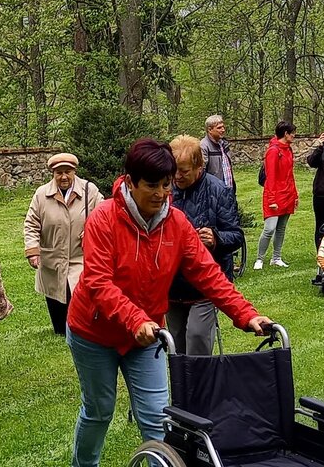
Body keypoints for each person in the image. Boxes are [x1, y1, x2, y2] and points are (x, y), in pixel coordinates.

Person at [68, 138, 273, 467]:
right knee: (99, 411)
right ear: (130, 181)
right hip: (94, 333)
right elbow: (97, 282)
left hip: (147, 337)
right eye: (151, 185)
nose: (161, 193)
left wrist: (245, 315)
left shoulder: (176, 223)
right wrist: (135, 320)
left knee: (157, 418)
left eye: (166, 184)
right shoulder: (103, 220)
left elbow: (209, 275)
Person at [166, 135, 246, 355]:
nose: (177, 176)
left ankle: (201, 386)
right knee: (175, 343)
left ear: (199, 167)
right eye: (174, 170)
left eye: (183, 171)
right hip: (173, 283)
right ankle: (181, 386)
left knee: (197, 336)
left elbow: (236, 235)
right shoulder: (165, 191)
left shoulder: (218, 190)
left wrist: (216, 238)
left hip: (207, 283)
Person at [23, 153, 103, 336]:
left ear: (74, 171)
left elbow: (103, 214)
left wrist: (91, 229)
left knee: (80, 292)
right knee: (56, 291)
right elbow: (32, 223)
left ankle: (80, 328)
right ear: (53, 173)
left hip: (80, 254)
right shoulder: (42, 194)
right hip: (53, 255)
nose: (64, 177)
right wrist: (33, 250)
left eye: (68, 172)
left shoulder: (89, 191)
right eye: (59, 173)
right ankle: (60, 329)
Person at [254, 121, 299, 270]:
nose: (294, 135)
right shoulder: (273, 151)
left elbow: (290, 175)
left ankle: (276, 257)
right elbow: (270, 177)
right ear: (286, 134)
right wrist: (271, 199)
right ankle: (259, 259)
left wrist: (295, 195)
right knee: (269, 228)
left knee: (281, 228)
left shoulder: (288, 149)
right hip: (274, 195)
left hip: (287, 194)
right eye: (292, 133)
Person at [200, 114, 235, 192]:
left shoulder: (224, 144)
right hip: (214, 192)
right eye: (219, 128)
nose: (223, 130)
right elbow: (201, 172)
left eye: (223, 127)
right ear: (210, 130)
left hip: (229, 190)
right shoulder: (204, 146)